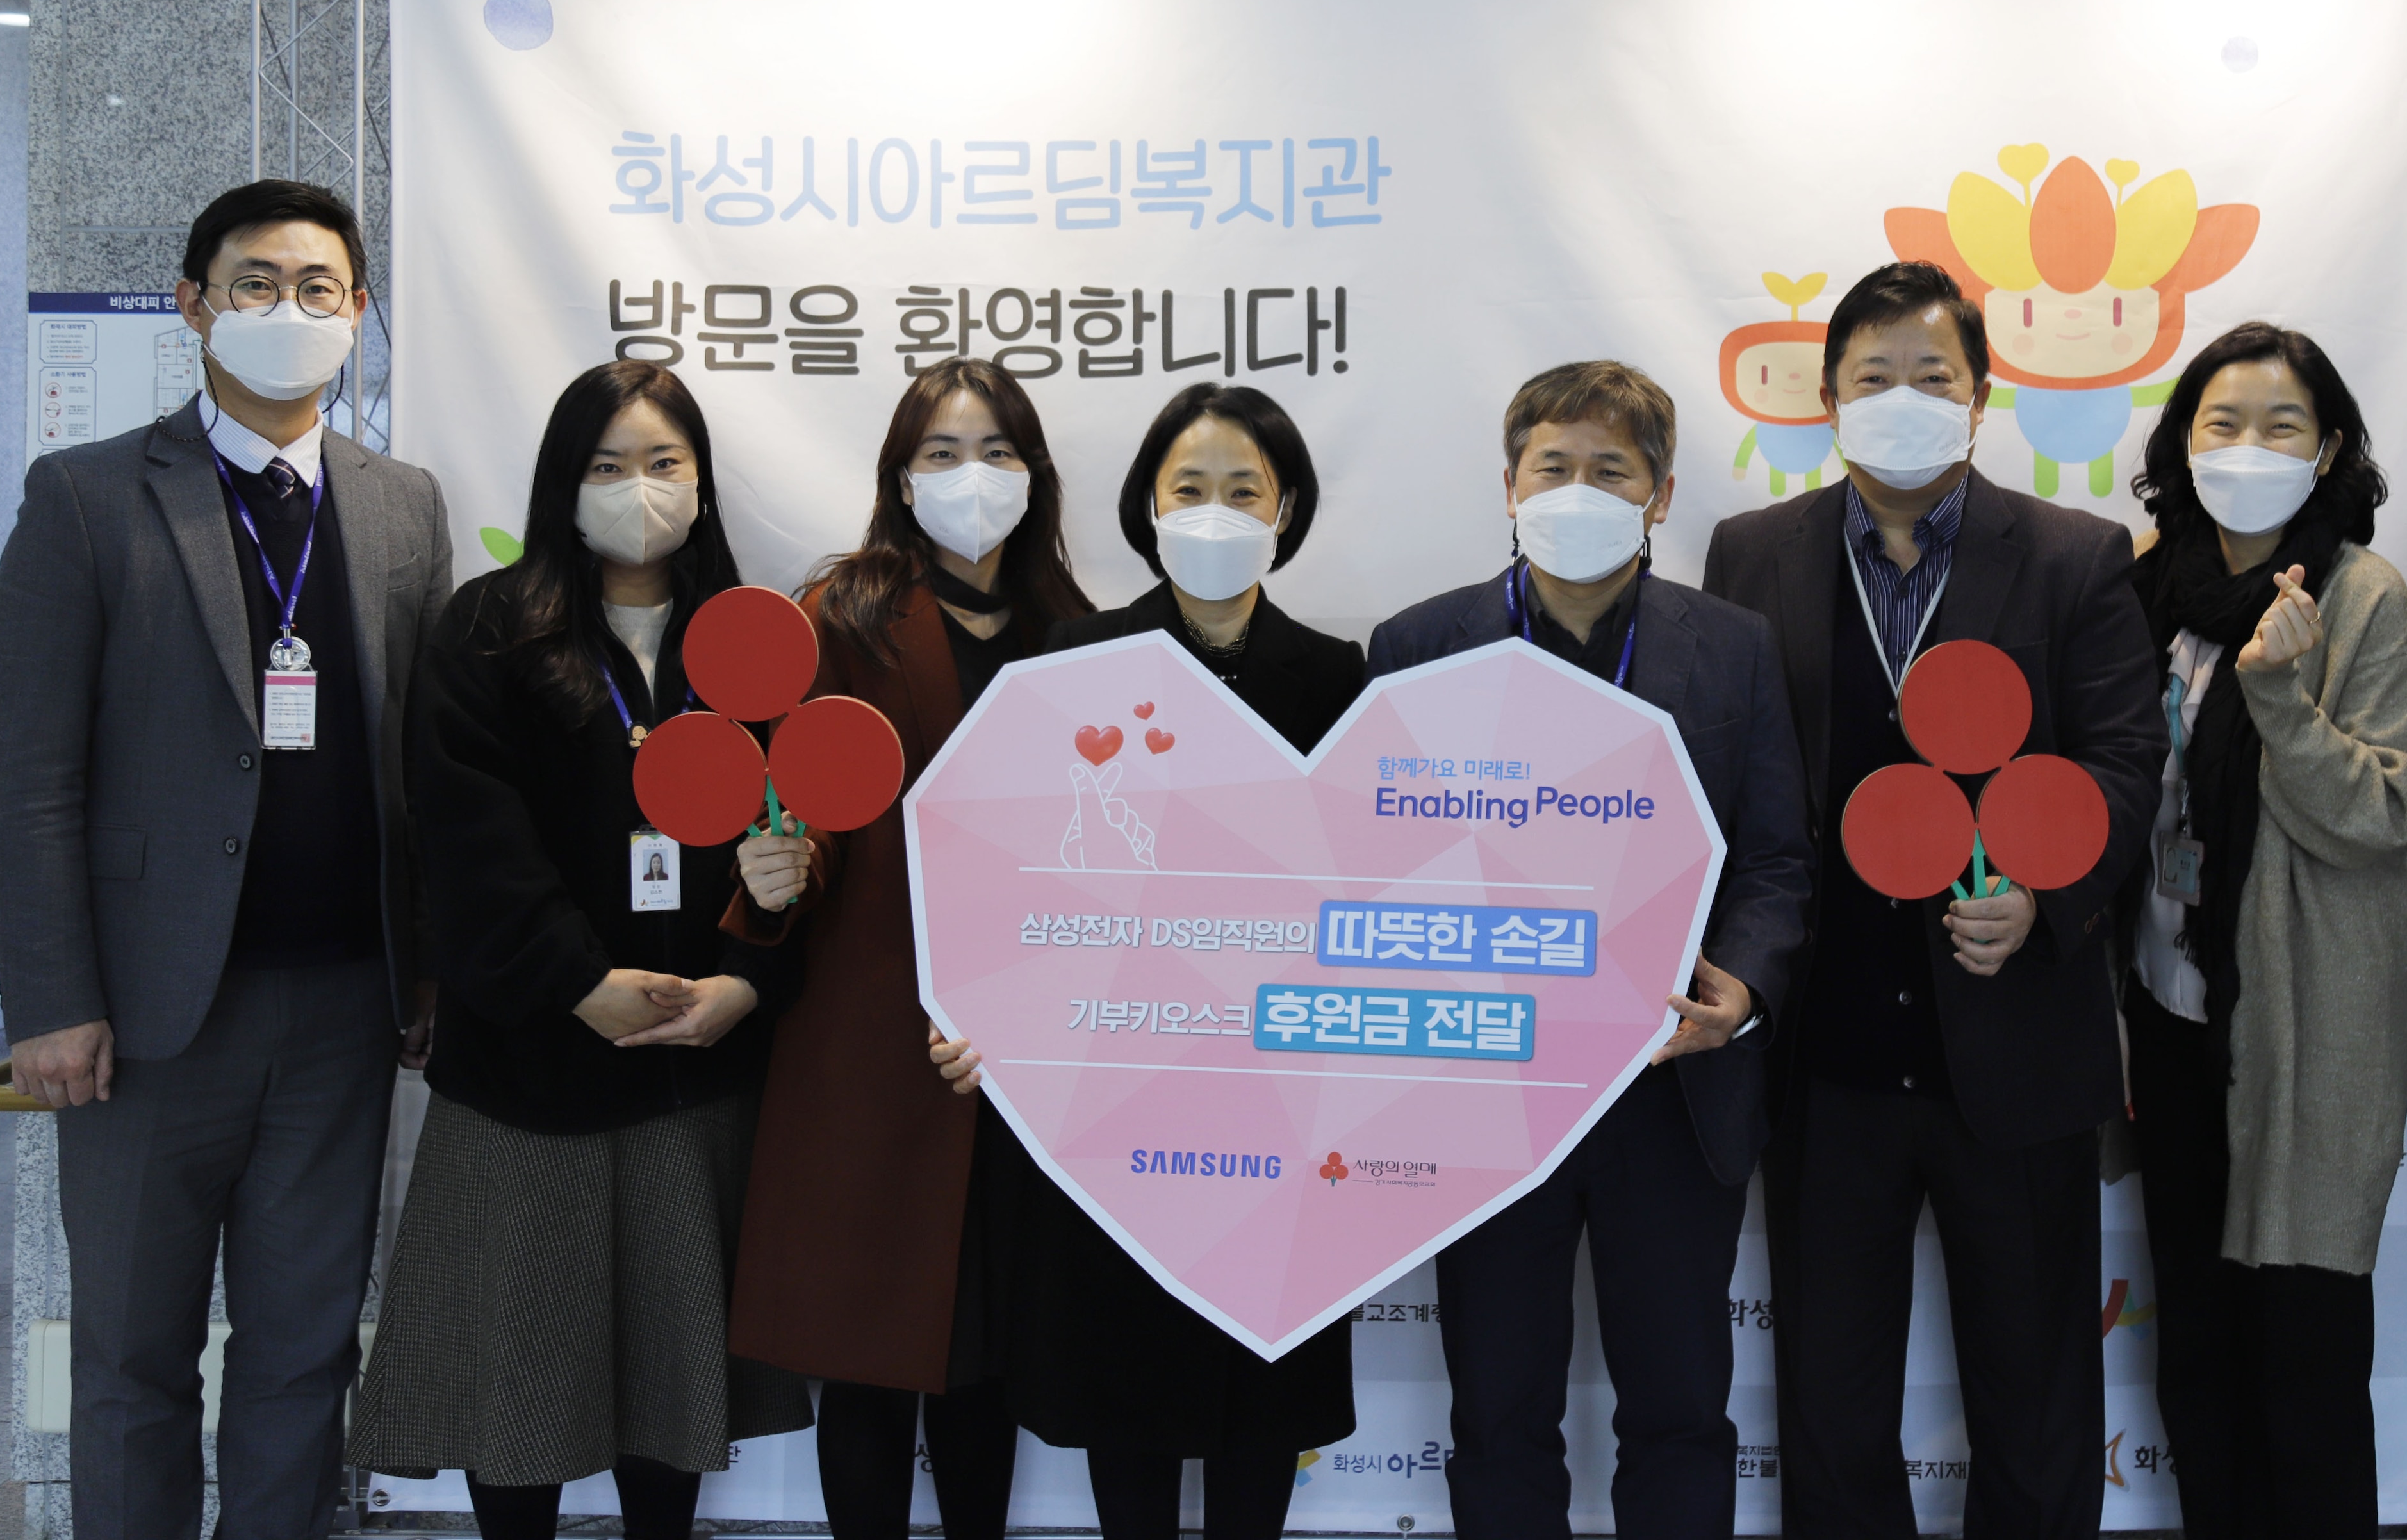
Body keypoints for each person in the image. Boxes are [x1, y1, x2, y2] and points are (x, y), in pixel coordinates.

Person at [0, 179, 450, 1540]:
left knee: (307, 1350)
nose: (287, 310)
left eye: (318, 287)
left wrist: (423, 971)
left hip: (339, 1014)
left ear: (359, 315)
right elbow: (31, 775)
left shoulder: (400, 505)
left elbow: (416, 766)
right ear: (193, 305)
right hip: (143, 1019)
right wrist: (51, 999)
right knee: (133, 1358)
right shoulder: (85, 497)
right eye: (255, 282)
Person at [1698, 258, 2164, 1540]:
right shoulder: (1751, 554)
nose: (1900, 399)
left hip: (2012, 1048)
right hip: (1826, 1053)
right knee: (1833, 1405)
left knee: (2036, 1393)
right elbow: (1729, 782)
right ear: (1829, 399)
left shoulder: (2075, 557)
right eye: (1872, 378)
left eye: (1931, 377)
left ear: (1980, 394)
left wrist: (2044, 895)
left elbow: (2125, 763)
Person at [349, 362, 807, 1540]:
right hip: (530, 1077)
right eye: (607, 467)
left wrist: (745, 979)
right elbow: (464, 839)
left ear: (701, 483)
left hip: (692, 1068)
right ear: (563, 481)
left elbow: (793, 850)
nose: (637, 491)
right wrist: (577, 983)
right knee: (522, 1386)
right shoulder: (491, 628)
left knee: (670, 1386)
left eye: (663, 465)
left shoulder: (751, 644)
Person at [1370, 359, 1813, 1540]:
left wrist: (1745, 985)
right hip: (1483, 1093)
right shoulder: (1417, 647)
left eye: (1610, 471)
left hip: (1669, 1089)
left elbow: (1776, 860)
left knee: (1679, 1412)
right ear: (1509, 486)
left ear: (1661, 495)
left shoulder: (1732, 648)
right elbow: (1370, 865)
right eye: (1552, 467)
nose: (1579, 490)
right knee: (1499, 1414)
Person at [944, 381, 1368, 1540]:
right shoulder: (1071, 665)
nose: (1217, 511)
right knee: (1125, 1413)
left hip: (1278, 1118)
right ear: (1146, 504)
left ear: (1288, 510)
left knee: (1260, 1412)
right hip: (1116, 1117)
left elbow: (1366, 898)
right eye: (1191, 487)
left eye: (1246, 489)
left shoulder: (1342, 678)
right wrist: (978, 1014)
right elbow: (1010, 884)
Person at [722, 359, 1098, 1540]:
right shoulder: (842, 615)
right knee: (872, 1356)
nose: (970, 476)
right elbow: (802, 819)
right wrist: (772, 877)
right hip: (871, 1031)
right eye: (939, 452)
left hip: (1027, 1047)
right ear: (898, 476)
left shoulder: (1083, 635)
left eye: (995, 451)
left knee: (982, 1356)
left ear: (1035, 475)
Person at [2119, 324, 2407, 1540]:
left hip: (2309, 1031)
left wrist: (2276, 698)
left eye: (2282, 426)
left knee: (2304, 1357)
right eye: (2223, 423)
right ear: (2182, 442)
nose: (2248, 447)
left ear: (2331, 449)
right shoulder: (2142, 589)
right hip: (2169, 1011)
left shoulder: (2361, 597)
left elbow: (2380, 810)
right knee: (2196, 1343)